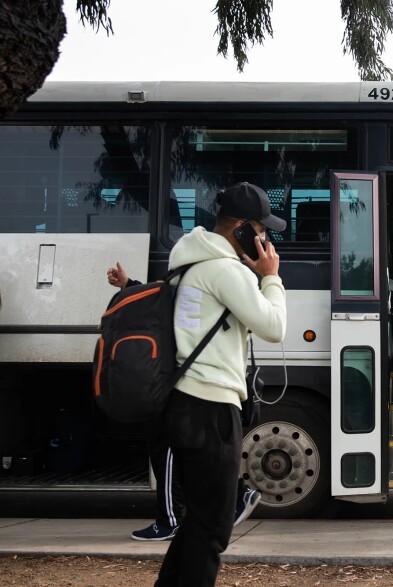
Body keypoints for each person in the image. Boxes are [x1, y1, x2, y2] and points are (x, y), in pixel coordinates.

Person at [153, 181, 287, 586]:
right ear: (243, 228)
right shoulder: (225, 270)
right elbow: (274, 326)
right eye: (262, 231)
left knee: (200, 523)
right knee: (213, 529)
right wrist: (271, 277)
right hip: (211, 408)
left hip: (185, 402)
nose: (265, 239)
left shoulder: (188, 263)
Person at [106, 263, 263, 541]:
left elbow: (157, 300)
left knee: (166, 450)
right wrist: (128, 283)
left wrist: (129, 285)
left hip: (179, 383)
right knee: (201, 454)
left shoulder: (194, 283)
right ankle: (234, 496)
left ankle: (170, 519)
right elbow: (159, 298)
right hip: (197, 382)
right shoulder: (201, 284)